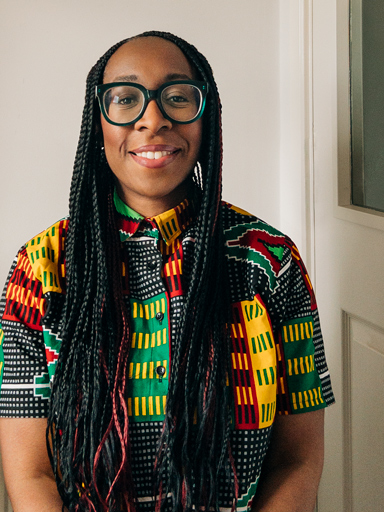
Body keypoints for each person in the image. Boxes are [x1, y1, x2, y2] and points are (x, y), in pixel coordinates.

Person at [0, 31, 334, 512]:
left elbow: (298, 459)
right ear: (99, 122)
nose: (152, 119)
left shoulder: (270, 260)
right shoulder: (41, 267)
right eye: (125, 99)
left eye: (177, 98)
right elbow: (30, 472)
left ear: (207, 117)